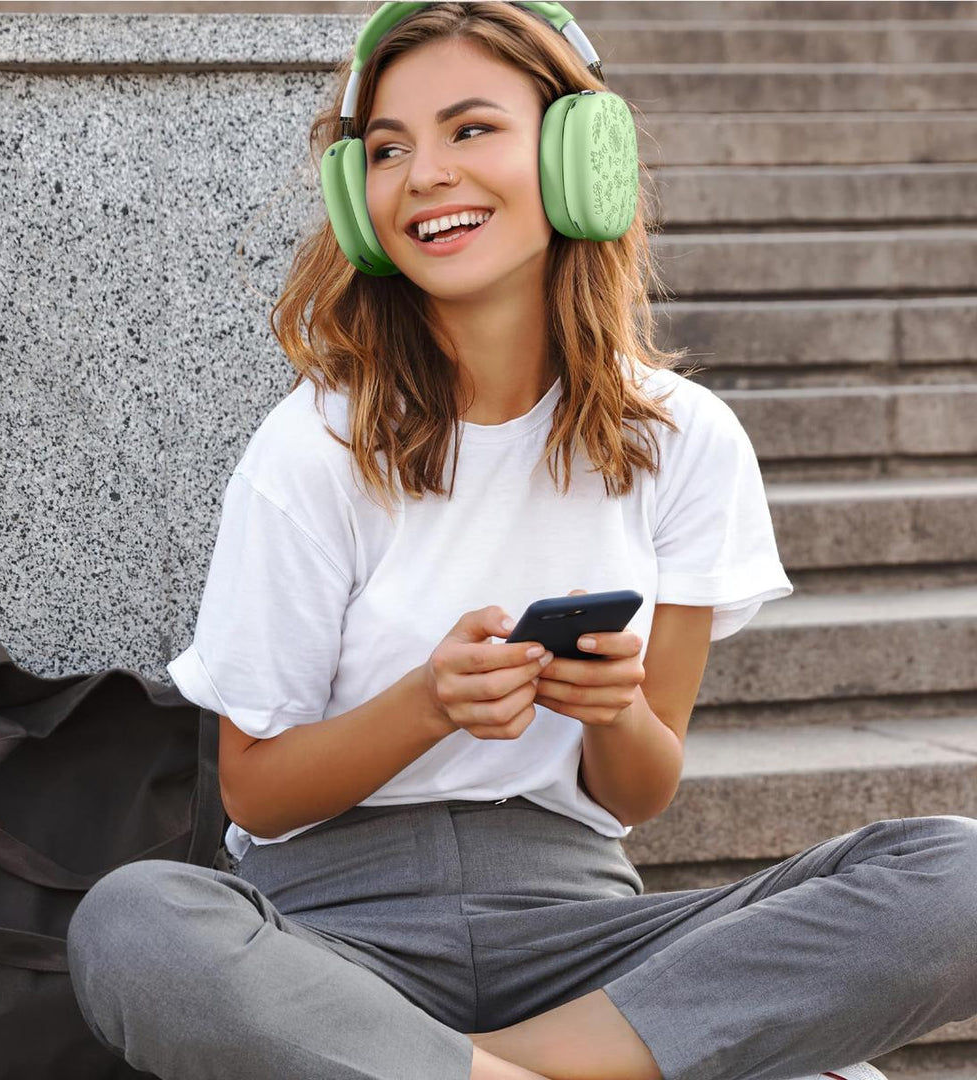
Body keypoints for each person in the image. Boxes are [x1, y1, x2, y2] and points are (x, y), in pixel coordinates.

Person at [66, 5, 977, 1080]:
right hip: (335, 941)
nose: (425, 174)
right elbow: (256, 792)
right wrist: (428, 705)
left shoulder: (684, 441)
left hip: (581, 933)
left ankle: (482, 1069)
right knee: (136, 924)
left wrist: (615, 710)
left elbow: (638, 794)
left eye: (470, 130)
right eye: (390, 148)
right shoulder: (313, 445)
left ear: (577, 156)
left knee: (957, 873)